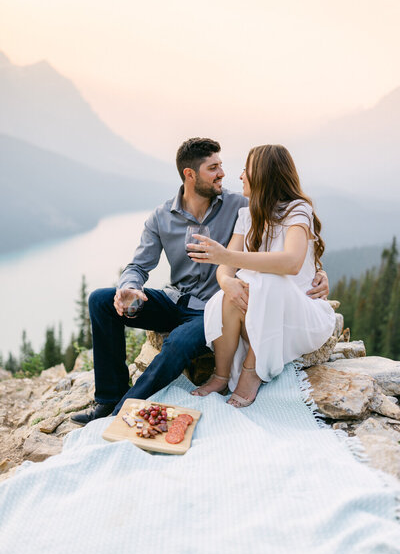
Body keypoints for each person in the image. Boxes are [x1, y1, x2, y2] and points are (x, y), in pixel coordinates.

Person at [72, 139, 330, 425]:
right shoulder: (161, 217)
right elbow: (139, 265)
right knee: (100, 300)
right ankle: (108, 398)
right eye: (214, 168)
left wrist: (319, 272)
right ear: (189, 174)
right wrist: (130, 286)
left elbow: (287, 239)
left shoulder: (240, 205)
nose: (224, 174)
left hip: (209, 308)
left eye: (222, 166)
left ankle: (121, 411)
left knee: (179, 342)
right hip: (175, 300)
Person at [188, 144, 336, 407]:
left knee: (269, 279)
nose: (241, 176)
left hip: (298, 316)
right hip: (260, 309)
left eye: (247, 170)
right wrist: (227, 281)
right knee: (230, 291)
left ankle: (251, 372)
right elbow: (226, 266)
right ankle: (221, 376)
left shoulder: (297, 211)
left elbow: (291, 263)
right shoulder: (247, 215)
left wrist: (227, 258)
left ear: (264, 174)